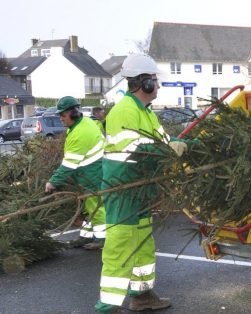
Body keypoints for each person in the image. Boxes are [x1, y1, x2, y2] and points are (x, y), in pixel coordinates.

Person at [95, 53, 187, 313]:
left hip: (140, 191)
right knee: (120, 247)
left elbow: (163, 142)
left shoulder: (145, 113)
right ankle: (107, 307)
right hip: (123, 190)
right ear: (144, 83)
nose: (158, 86)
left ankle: (142, 295)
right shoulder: (124, 111)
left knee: (143, 244)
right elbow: (139, 150)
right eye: (155, 81)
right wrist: (171, 150)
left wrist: (185, 145)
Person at [45, 96, 106, 250]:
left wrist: (53, 182)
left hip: (93, 173)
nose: (60, 118)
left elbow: (69, 164)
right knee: (86, 206)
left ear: (73, 113)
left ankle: (102, 239)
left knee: (95, 206)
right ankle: (86, 236)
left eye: (63, 115)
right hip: (88, 172)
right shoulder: (83, 123)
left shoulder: (81, 132)